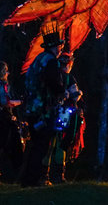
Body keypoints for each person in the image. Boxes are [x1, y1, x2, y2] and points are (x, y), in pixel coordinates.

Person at [19, 29, 67, 187]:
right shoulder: (51, 61)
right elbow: (52, 81)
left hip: (32, 107)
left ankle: (28, 178)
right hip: (43, 109)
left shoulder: (38, 59)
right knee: (41, 144)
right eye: (60, 47)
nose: (61, 50)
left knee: (36, 143)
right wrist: (62, 91)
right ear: (56, 47)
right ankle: (33, 179)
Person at [42, 51, 85, 184]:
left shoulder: (62, 77)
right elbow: (74, 95)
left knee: (57, 143)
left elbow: (75, 95)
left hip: (60, 114)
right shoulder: (62, 77)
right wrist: (77, 94)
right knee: (55, 143)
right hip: (56, 114)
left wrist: (78, 95)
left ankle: (53, 175)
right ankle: (49, 175)